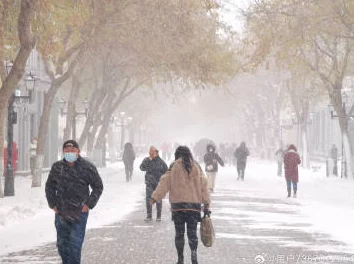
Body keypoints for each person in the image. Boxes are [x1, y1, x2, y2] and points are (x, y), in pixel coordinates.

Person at [45, 140, 103, 264]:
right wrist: (53, 204)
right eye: (67, 151)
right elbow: (49, 186)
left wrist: (88, 204)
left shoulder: (87, 167)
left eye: (72, 151)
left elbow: (98, 186)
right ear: (63, 152)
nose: (70, 153)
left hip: (79, 212)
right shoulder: (57, 167)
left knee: (75, 245)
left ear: (78, 151)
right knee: (62, 245)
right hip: (61, 212)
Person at [151, 146, 211, 264]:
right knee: (192, 234)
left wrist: (155, 197)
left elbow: (164, 182)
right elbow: (204, 186)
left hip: (178, 207)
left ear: (177, 155)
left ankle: (180, 259)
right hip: (194, 207)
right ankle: (194, 257)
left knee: (179, 234)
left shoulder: (174, 166)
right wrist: (206, 203)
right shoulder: (196, 166)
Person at [140, 146, 168, 222]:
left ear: (157, 152)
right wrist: (148, 161)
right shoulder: (147, 160)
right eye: (152, 152)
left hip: (158, 183)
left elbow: (166, 170)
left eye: (155, 152)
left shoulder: (160, 161)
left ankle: (158, 216)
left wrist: (161, 177)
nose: (153, 154)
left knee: (158, 198)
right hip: (149, 183)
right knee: (148, 198)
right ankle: (149, 216)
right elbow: (141, 168)